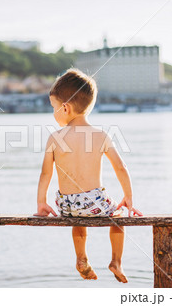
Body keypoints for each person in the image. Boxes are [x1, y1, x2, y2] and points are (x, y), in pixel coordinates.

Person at [34, 68, 142, 283]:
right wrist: (128, 198)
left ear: (65, 108)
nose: (53, 113)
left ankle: (81, 258)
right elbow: (121, 168)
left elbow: (45, 173)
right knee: (118, 219)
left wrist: (42, 203)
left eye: (53, 107)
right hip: (94, 202)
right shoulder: (101, 135)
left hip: (66, 205)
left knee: (78, 220)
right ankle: (116, 261)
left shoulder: (55, 138)